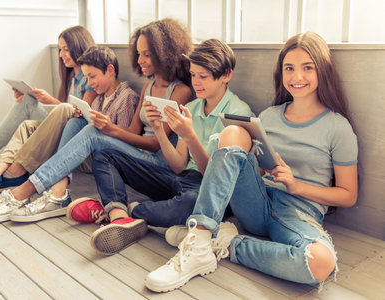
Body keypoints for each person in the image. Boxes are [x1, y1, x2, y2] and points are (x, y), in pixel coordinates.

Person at [144, 32, 358, 293]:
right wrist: (259, 168)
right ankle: (199, 239)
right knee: (233, 132)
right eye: (289, 68)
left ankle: (225, 244)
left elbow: (348, 195)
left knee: (321, 263)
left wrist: (296, 186)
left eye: (307, 68)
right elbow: (245, 167)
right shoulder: (268, 116)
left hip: (298, 213)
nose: (297, 77)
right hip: (256, 202)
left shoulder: (338, 127)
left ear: (322, 71)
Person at [0, 18, 194, 224]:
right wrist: (107, 127)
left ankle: (18, 195)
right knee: (77, 123)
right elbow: (134, 130)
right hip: (137, 155)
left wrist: (110, 130)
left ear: (165, 52)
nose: (141, 59)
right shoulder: (149, 85)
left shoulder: (180, 91)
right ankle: (58, 192)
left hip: (159, 163)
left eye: (147, 53)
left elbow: (155, 144)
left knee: (93, 133)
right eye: (139, 53)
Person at [67, 39, 254, 256]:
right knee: (106, 156)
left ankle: (122, 213)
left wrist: (189, 135)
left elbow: (214, 179)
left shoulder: (239, 114)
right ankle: (120, 215)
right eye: (193, 75)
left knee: (190, 203)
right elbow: (177, 166)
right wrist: (158, 129)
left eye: (203, 76)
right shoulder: (193, 107)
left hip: (210, 192)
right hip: (182, 178)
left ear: (226, 75)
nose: (196, 82)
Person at [0, 45, 139, 200]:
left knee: (66, 112)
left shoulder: (126, 97)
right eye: (87, 77)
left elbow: (122, 143)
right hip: (80, 150)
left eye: (92, 76)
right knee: (27, 126)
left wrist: (99, 126)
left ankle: (13, 173)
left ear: (110, 70)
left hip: (96, 156)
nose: (89, 83)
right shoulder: (98, 98)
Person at [0, 25, 96, 173]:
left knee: (29, 108)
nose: (60, 54)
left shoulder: (90, 79)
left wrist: (50, 100)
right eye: (60, 49)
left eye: (65, 49)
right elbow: (63, 113)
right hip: (61, 127)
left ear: (79, 46)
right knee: (27, 103)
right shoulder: (71, 77)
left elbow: (79, 114)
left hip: (73, 136)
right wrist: (38, 100)